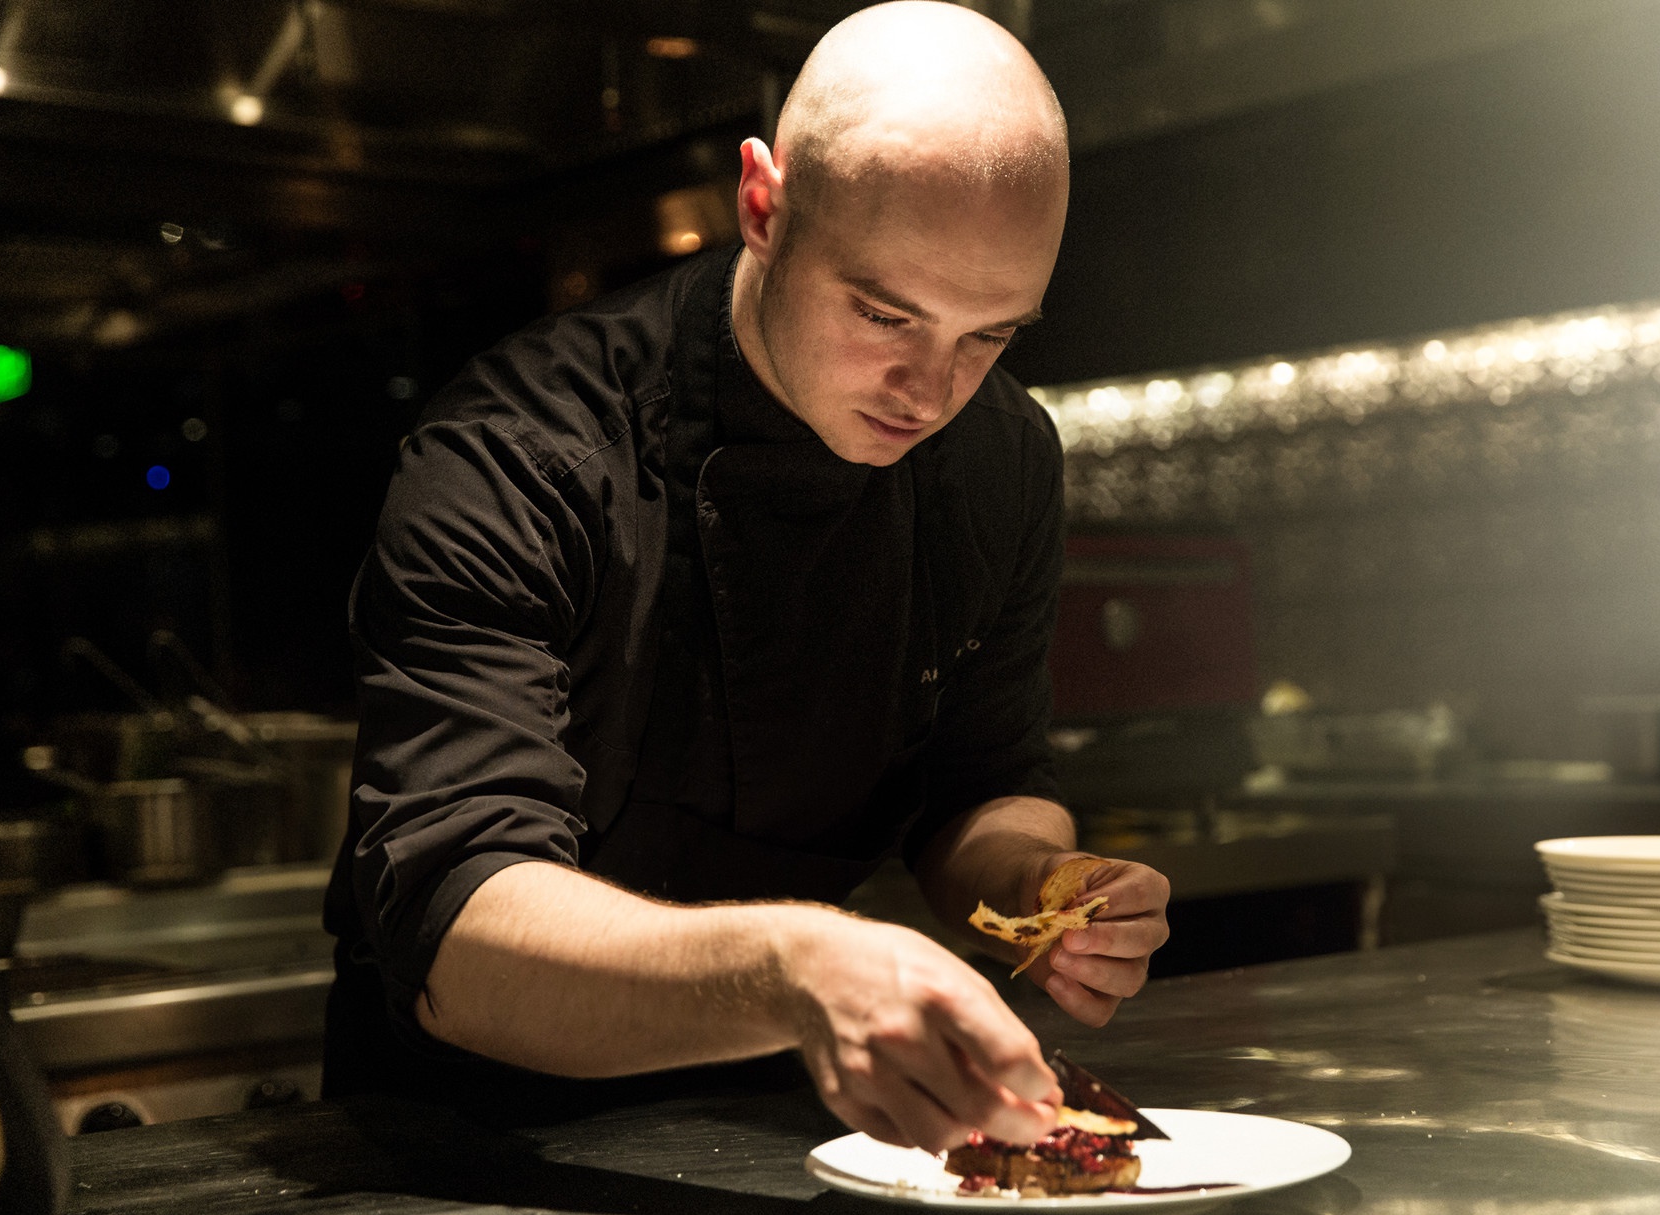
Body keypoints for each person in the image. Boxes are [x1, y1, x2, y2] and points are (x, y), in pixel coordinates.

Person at [322, 1, 1171, 1153]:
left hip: (790, 1131)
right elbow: (456, 925)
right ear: (763, 206)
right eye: (885, 312)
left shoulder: (1003, 457)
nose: (931, 391)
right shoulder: (519, 456)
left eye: (990, 336)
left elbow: (981, 778)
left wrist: (1040, 882)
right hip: (469, 1145)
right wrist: (795, 965)